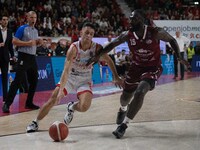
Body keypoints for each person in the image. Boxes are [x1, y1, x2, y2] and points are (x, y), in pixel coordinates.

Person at [86, 9, 184, 139]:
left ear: (142, 20)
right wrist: (97, 56)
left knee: (140, 91)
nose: (131, 21)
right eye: (130, 18)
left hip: (153, 67)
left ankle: (124, 126)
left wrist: (178, 57)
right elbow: (111, 45)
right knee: (125, 98)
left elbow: (171, 40)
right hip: (136, 67)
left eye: (134, 19)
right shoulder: (127, 35)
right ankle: (122, 108)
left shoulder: (154, 32)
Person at [26, 22, 123, 133]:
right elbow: (66, 70)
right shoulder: (73, 48)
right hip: (70, 78)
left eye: (91, 34)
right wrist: (62, 89)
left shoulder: (96, 48)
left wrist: (116, 76)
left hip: (85, 79)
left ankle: (71, 107)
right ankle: (35, 122)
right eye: (86, 33)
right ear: (81, 33)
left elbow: (109, 60)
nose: (89, 36)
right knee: (53, 99)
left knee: (84, 107)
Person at [2, 11, 41, 113]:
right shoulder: (22, 28)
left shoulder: (35, 31)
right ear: (27, 18)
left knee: (34, 81)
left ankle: (29, 103)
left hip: (32, 57)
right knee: (17, 81)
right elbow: (14, 41)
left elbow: (34, 43)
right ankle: (7, 104)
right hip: (23, 56)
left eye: (35, 17)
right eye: (31, 17)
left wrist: (39, 43)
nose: (33, 20)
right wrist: (27, 43)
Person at [0, 14, 16, 103]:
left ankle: (5, 99)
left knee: (5, 78)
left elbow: (10, 46)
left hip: (5, 58)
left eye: (6, 19)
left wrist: (13, 55)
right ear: (0, 21)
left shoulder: (10, 32)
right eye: (3, 19)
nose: (5, 21)